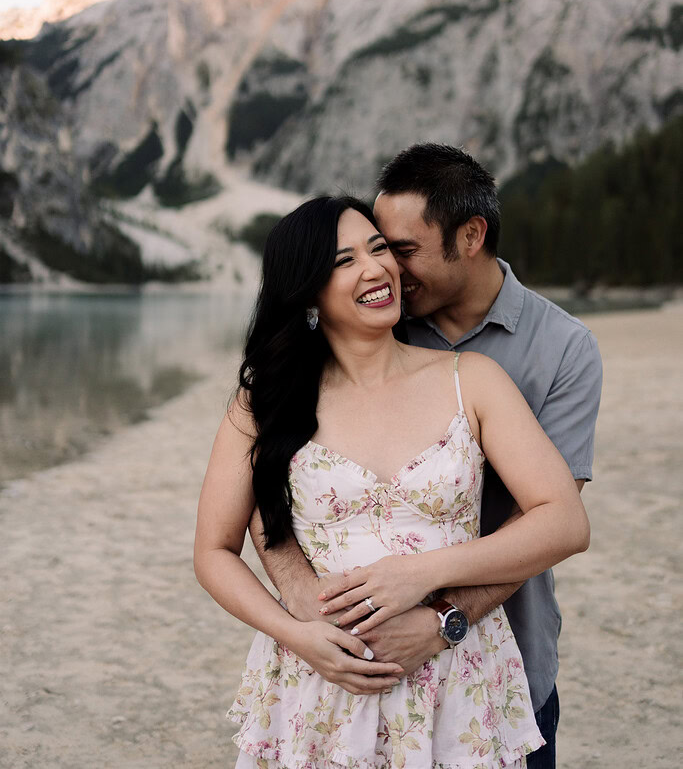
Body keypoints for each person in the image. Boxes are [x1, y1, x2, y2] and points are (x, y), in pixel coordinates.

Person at [194, 194, 590, 769]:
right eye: (344, 260)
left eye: (378, 248)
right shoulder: (265, 404)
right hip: (322, 678)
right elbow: (213, 550)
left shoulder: (472, 380)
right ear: (307, 291)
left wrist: (423, 578)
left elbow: (565, 520)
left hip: (458, 672)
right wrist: (295, 633)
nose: (376, 268)